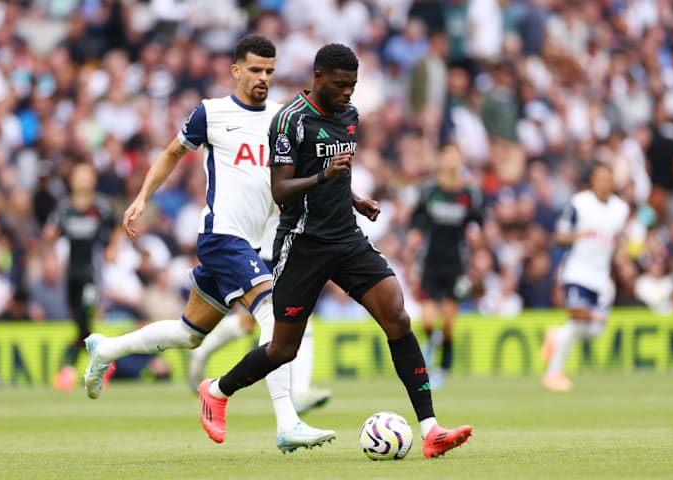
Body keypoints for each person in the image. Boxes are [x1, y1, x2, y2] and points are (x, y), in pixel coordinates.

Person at [197, 43, 472, 459]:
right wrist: (324, 177)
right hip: (302, 244)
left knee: (397, 316)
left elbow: (339, 174)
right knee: (282, 349)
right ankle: (217, 390)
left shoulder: (349, 115)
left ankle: (431, 428)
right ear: (319, 78)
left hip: (346, 239)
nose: (348, 92)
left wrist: (355, 198)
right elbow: (282, 190)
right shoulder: (290, 121)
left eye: (354, 85)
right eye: (341, 85)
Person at [82, 35, 335, 452]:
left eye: (269, 71)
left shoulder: (280, 118)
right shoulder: (212, 113)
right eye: (255, 70)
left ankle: (105, 349)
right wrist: (143, 196)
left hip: (251, 244)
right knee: (275, 314)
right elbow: (170, 154)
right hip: (221, 236)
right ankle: (287, 421)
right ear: (236, 70)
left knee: (189, 333)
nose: (263, 78)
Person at [188, 212, 332, 415]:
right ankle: (299, 393)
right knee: (290, 320)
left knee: (261, 322)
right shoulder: (273, 180)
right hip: (262, 254)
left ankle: (300, 392)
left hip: (285, 252)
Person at [541, 163, 629, 392]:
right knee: (578, 317)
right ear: (592, 181)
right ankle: (553, 374)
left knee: (593, 331)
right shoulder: (579, 203)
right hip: (578, 271)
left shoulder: (620, 208)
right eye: (600, 178)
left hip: (601, 277)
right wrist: (578, 235)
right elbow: (558, 236)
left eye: (608, 179)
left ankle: (556, 336)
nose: (604, 183)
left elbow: (618, 240)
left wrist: (623, 259)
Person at [405, 144, 484, 389]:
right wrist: (414, 237)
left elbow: (477, 223)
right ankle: (432, 343)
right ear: (441, 159)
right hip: (430, 262)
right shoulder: (429, 190)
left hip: (455, 264)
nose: (451, 160)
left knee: (448, 322)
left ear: (461, 160)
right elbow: (417, 220)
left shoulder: (470, 194)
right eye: (447, 155)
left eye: (455, 156)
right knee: (428, 321)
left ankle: (443, 368)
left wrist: (476, 239)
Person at [44, 161, 120, 391]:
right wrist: (51, 257)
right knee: (80, 323)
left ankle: (69, 369)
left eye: (87, 176)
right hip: (72, 274)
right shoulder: (64, 208)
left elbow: (117, 225)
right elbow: (50, 234)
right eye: (79, 176)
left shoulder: (100, 207)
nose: (83, 180)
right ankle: (104, 362)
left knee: (84, 318)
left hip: (92, 274)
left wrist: (113, 247)